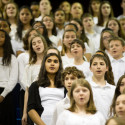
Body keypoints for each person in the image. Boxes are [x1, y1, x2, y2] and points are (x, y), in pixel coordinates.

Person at [28, 53, 64, 125]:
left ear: (59, 65)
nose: (52, 64)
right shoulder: (35, 85)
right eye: (49, 61)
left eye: (55, 61)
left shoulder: (65, 85)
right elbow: (31, 109)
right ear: (44, 64)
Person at [21, 34, 48, 125]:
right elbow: (27, 90)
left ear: (44, 43)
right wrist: (25, 112)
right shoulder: (29, 67)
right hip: (35, 100)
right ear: (31, 48)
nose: (37, 45)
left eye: (39, 42)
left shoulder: (51, 62)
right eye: (34, 43)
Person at [86, 54, 116, 119]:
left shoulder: (114, 89)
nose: (98, 67)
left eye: (101, 64)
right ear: (90, 68)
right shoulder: (86, 88)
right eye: (95, 64)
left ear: (107, 68)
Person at [0, 29, 18, 125]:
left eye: (2, 36)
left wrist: (3, 95)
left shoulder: (12, 58)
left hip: (6, 94)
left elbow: (13, 79)